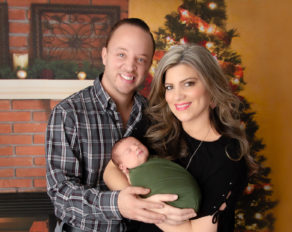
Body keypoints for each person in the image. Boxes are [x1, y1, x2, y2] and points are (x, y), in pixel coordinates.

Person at [45, 18, 196, 232]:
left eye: (141, 59)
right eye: (121, 54)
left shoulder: (155, 114)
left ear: (149, 66)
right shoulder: (68, 114)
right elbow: (61, 195)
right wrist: (117, 204)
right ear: (105, 55)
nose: (130, 66)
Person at [104, 43, 257, 232]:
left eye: (188, 83)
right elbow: (112, 168)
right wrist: (139, 205)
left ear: (211, 86)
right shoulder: (155, 123)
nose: (177, 96)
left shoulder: (228, 156)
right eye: (169, 87)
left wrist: (148, 210)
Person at [110, 136, 201, 211]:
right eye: (128, 151)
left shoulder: (154, 160)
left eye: (137, 144)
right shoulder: (136, 177)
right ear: (122, 166)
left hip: (190, 194)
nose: (136, 147)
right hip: (180, 204)